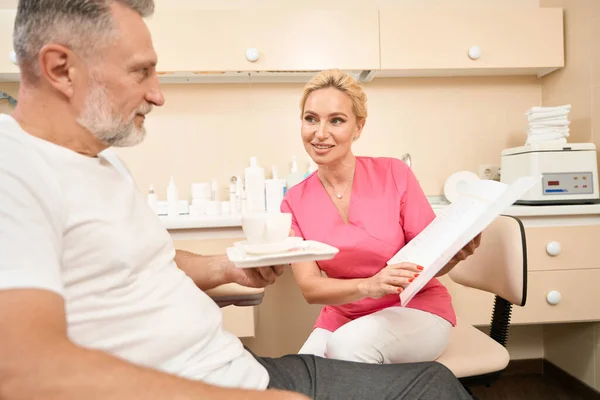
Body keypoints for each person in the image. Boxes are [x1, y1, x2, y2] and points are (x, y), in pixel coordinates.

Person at [0, 1, 474, 399]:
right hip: (208, 381)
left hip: (225, 362)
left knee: (431, 382)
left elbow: (143, 261)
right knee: (428, 390)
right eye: (141, 71)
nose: (158, 94)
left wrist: (226, 267)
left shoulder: (100, 164)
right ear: (61, 68)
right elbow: (24, 369)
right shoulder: (15, 170)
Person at [280, 69, 482, 365]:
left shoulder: (394, 175)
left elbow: (428, 263)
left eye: (336, 120)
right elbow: (311, 289)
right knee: (302, 378)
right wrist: (368, 285)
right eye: (311, 119)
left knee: (347, 350)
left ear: (358, 127)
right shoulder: (294, 200)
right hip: (343, 316)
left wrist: (453, 256)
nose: (320, 133)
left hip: (416, 310)